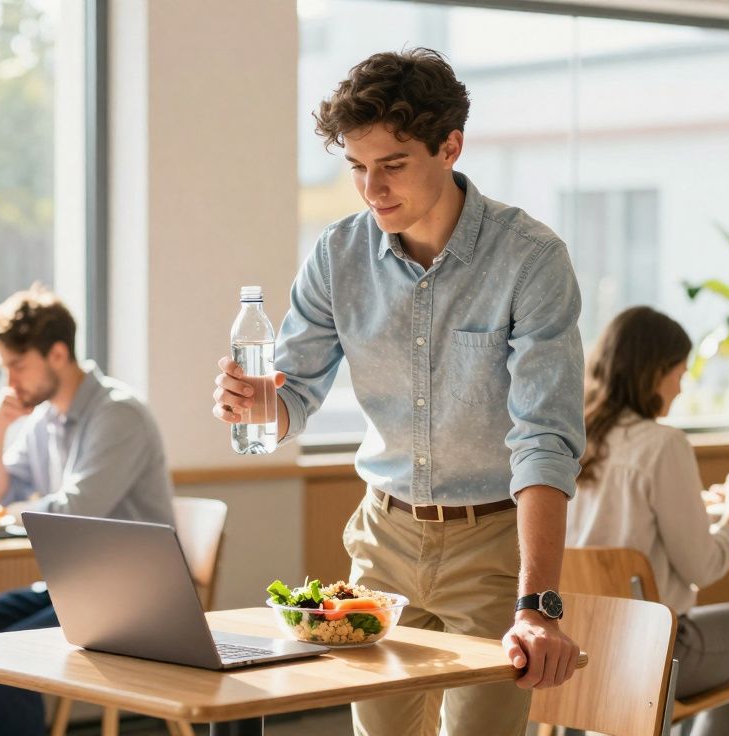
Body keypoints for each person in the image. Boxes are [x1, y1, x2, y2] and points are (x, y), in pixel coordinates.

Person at [211, 48, 583, 736]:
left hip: (494, 547)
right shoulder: (337, 255)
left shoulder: (530, 259)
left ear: (450, 146)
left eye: (392, 164)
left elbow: (545, 440)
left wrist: (540, 603)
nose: (371, 188)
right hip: (382, 544)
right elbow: (294, 394)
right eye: (356, 166)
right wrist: (261, 404)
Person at [0, 284, 174, 736]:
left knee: (9, 656)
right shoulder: (45, 420)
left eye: (17, 366)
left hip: (134, 596)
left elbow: (74, 510)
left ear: (57, 354)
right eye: (3, 369)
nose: (10, 383)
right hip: (71, 587)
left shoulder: (118, 415)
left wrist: (15, 510)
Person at [566, 306, 729, 736]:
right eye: (680, 375)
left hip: (572, 643)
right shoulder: (663, 444)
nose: (681, 390)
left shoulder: (570, 436)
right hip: (649, 650)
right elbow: (701, 568)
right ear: (654, 373)